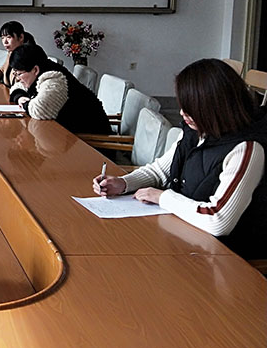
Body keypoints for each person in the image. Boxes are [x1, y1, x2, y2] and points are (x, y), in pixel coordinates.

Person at [93, 59, 266, 259]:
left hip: (227, 256)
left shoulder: (247, 148)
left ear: (215, 107)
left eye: (191, 108)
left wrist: (162, 197)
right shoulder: (196, 129)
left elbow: (218, 220)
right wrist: (123, 183)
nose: (182, 113)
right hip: (185, 236)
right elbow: (160, 171)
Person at [7, 43, 111, 134]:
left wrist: (25, 104)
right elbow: (18, 86)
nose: (17, 78)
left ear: (35, 69)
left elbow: (39, 110)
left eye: (19, 74)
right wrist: (20, 97)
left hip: (89, 140)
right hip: (67, 134)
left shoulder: (54, 79)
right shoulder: (42, 69)